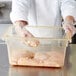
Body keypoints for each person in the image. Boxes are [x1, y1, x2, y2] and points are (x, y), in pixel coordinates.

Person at [10, 0, 76, 39]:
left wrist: (69, 20)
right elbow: (19, 3)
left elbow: (68, 2)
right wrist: (19, 25)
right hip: (29, 35)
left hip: (55, 38)